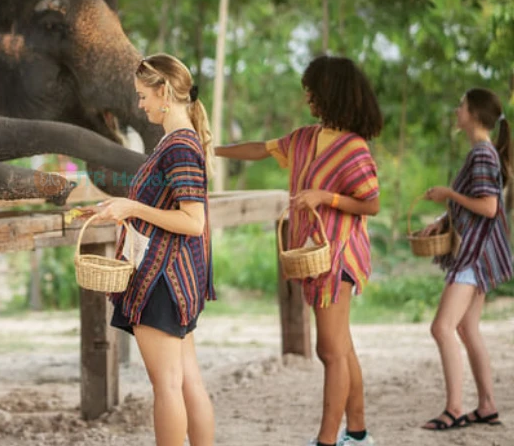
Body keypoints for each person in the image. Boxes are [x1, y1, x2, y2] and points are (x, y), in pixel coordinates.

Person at [214, 55, 382, 446]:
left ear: (332, 95)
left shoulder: (354, 150)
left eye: (314, 92)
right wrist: (212, 150)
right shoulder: (304, 138)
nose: (308, 99)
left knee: (329, 351)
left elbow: (371, 204)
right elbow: (259, 149)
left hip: (338, 253)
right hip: (314, 254)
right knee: (341, 345)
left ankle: (326, 440)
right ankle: (357, 434)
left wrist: (327, 197)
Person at [90, 53, 216, 446]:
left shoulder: (178, 146)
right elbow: (166, 209)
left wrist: (132, 207)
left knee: (167, 387)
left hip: (164, 279)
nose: (140, 104)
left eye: (143, 95)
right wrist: (120, 210)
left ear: (164, 91)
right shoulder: (176, 143)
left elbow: (193, 221)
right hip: (176, 278)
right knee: (186, 380)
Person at [419, 88, 512, 431]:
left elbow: (488, 207)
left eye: (461, 105)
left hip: (475, 256)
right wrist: (442, 222)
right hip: (479, 252)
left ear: (473, 113)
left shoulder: (483, 155)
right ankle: (486, 405)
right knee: (466, 328)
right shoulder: (481, 153)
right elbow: (475, 207)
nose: (456, 110)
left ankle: (454, 408)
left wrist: (447, 194)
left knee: (441, 327)